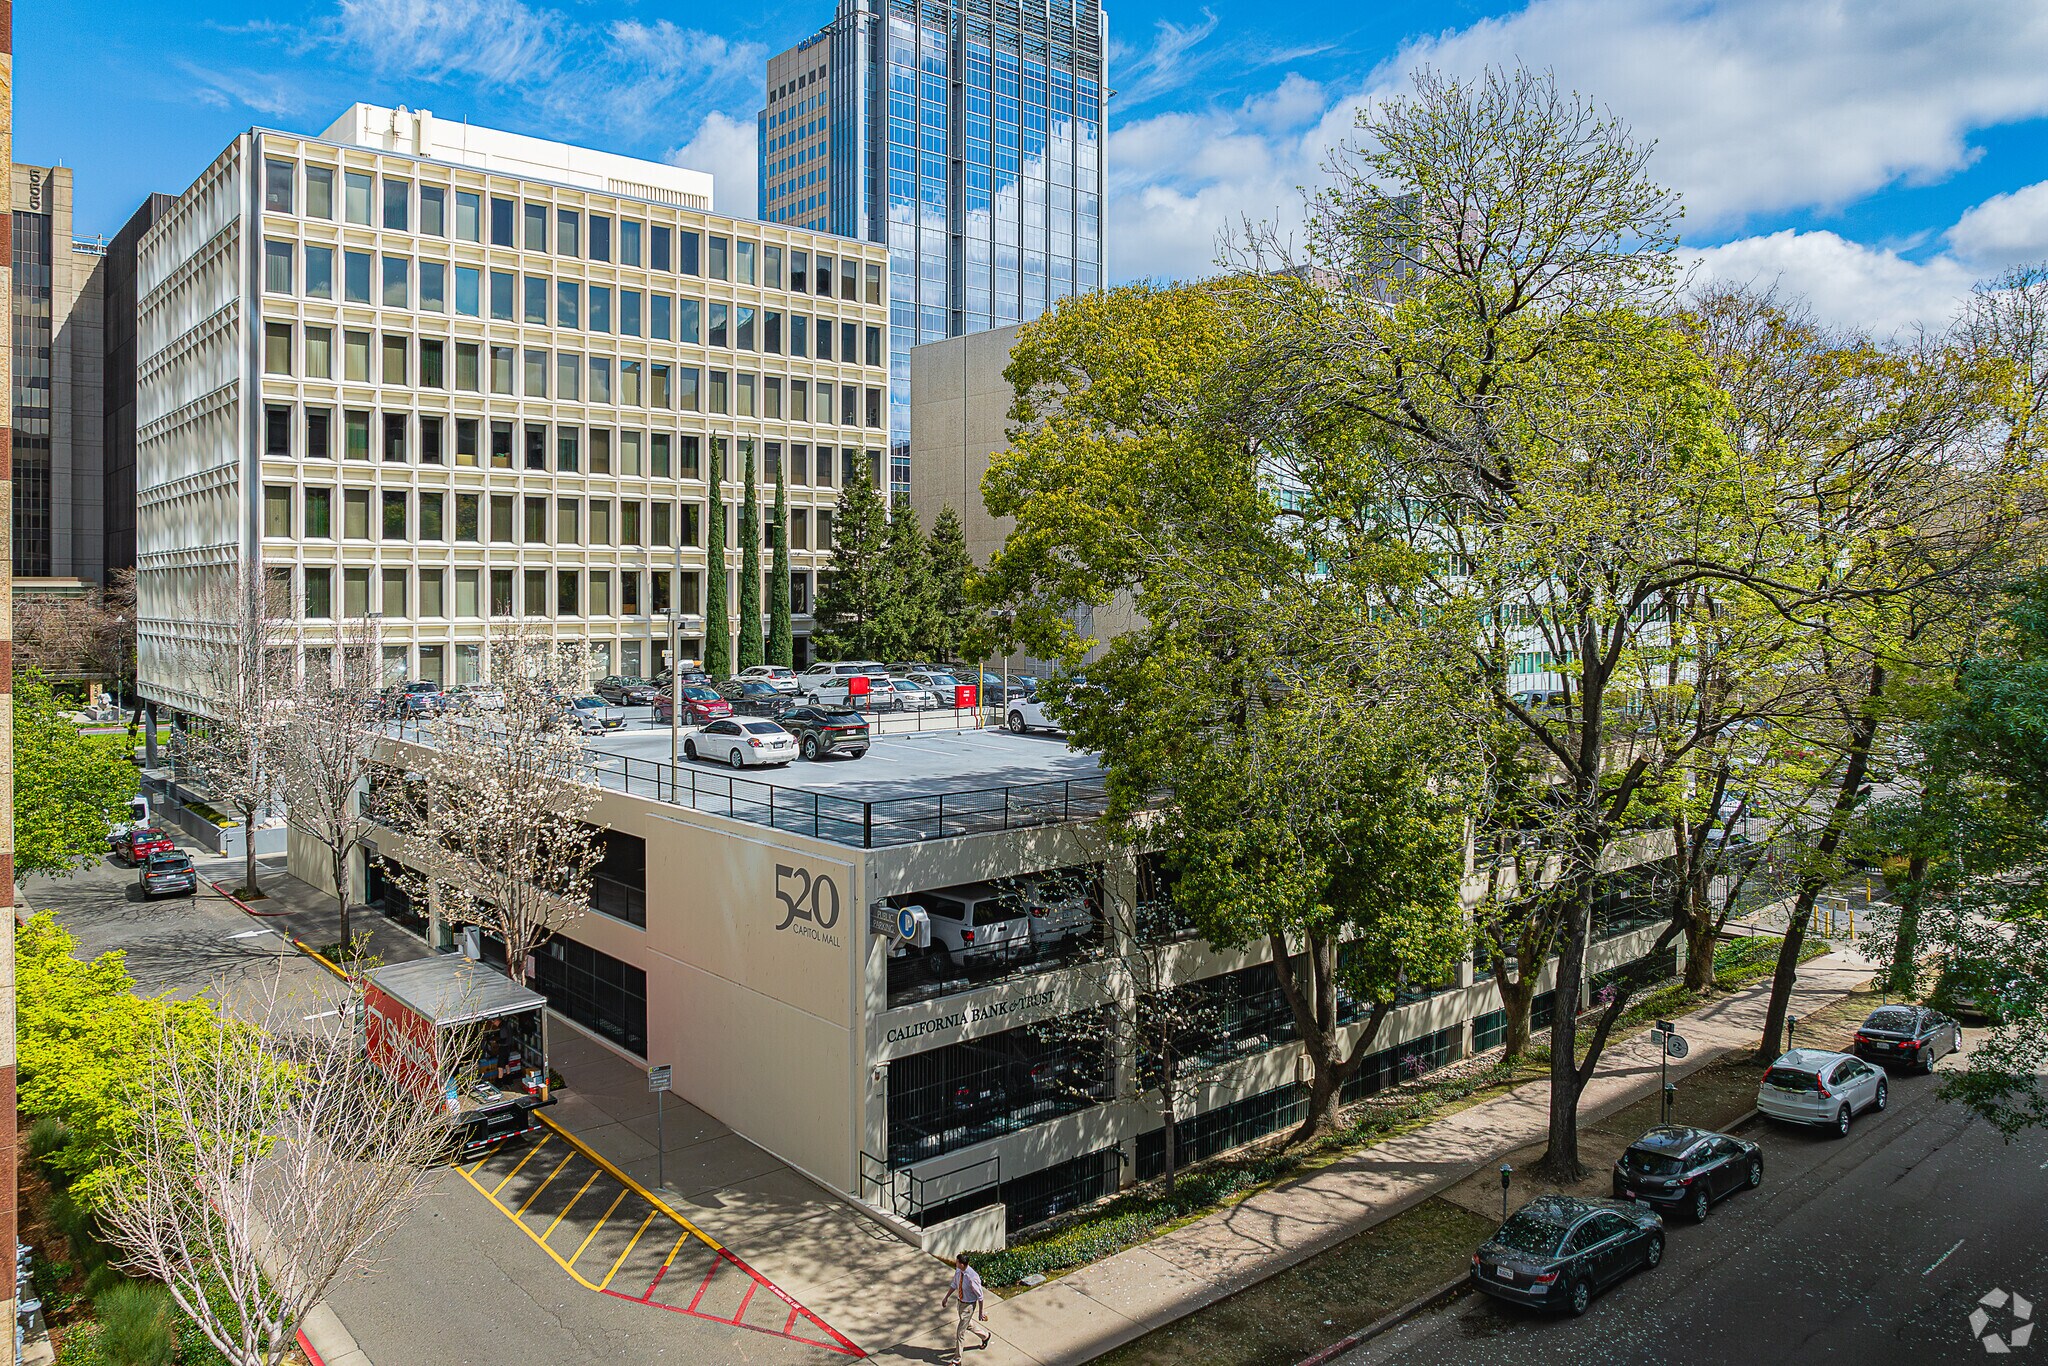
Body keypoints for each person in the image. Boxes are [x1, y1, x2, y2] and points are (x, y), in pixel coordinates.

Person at [940, 1253, 990, 1361]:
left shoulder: (972, 1277)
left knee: (960, 1333)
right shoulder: (959, 1271)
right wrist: (946, 1297)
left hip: (969, 1306)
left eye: (957, 1262)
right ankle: (985, 1336)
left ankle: (957, 1360)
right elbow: (954, 1284)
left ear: (962, 1264)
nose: (955, 1263)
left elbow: (980, 1297)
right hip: (961, 1304)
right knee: (968, 1324)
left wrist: (981, 1312)